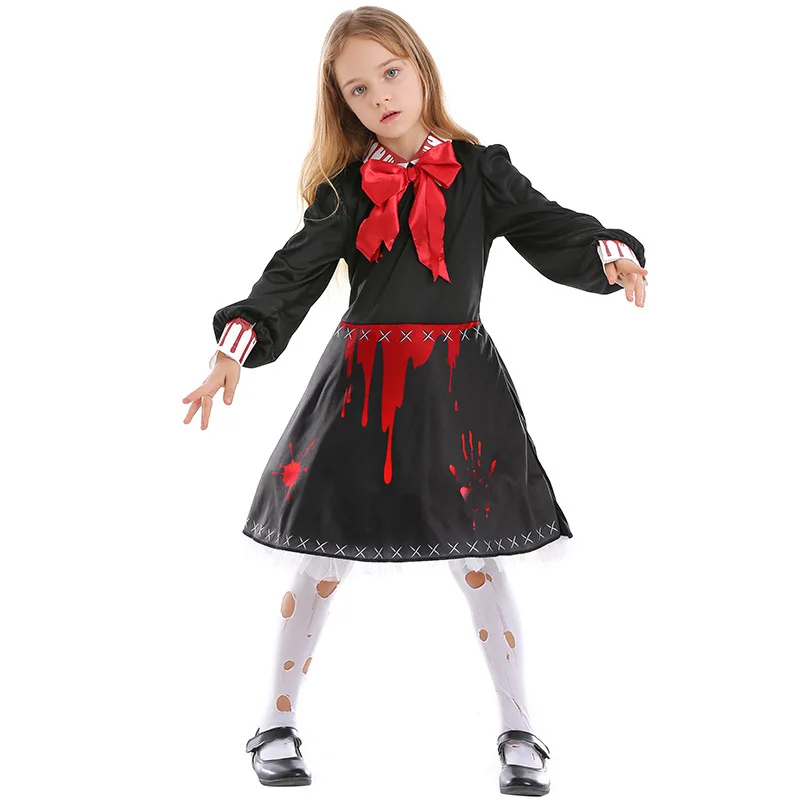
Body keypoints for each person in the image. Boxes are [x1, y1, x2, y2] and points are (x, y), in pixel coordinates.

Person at [181, 6, 647, 795]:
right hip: (362, 391)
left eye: (390, 73)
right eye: (358, 89)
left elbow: (550, 225)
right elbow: (292, 273)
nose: (380, 96)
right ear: (343, 103)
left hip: (455, 390)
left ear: (421, 69)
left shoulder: (478, 171)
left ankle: (519, 728)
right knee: (321, 557)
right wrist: (236, 347)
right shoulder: (345, 190)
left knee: (479, 558)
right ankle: (276, 722)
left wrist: (608, 255)